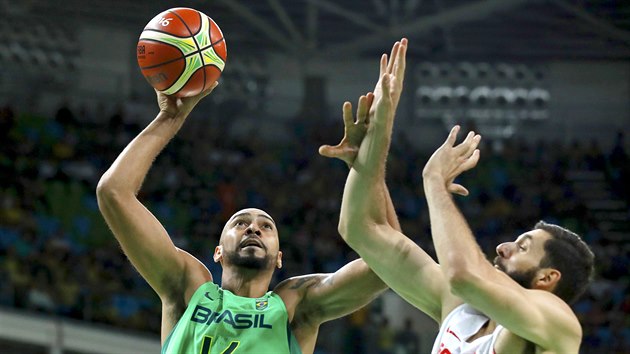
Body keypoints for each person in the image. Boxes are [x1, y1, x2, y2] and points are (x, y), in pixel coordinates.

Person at [96, 40, 407, 354]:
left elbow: (391, 263)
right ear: (217, 252)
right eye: (240, 223)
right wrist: (169, 119)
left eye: (266, 226)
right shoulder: (188, 287)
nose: (253, 228)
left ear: (280, 257)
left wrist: (369, 162)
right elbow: (113, 193)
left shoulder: (294, 304)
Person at [336, 38, 595, 353]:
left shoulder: (559, 324)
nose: (503, 247)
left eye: (523, 247)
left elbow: (463, 274)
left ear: (547, 278)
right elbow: (363, 230)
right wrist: (376, 137)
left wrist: (433, 181)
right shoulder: (462, 310)